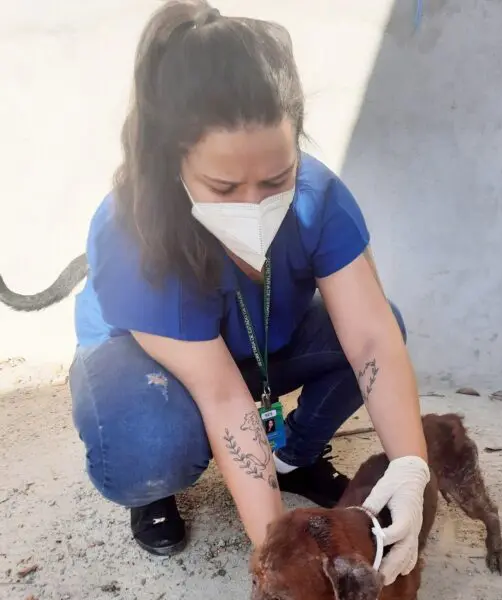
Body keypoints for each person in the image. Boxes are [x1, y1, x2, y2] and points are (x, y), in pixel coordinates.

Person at [68, 0, 430, 586]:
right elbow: (222, 396)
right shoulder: (131, 228)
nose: (254, 204)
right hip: (145, 364)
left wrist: (412, 469)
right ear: (173, 161)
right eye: (223, 185)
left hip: (253, 343)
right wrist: (277, 559)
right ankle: (155, 489)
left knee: (386, 322)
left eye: (276, 178)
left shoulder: (319, 196)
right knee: (149, 441)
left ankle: (295, 455)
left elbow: (369, 337)